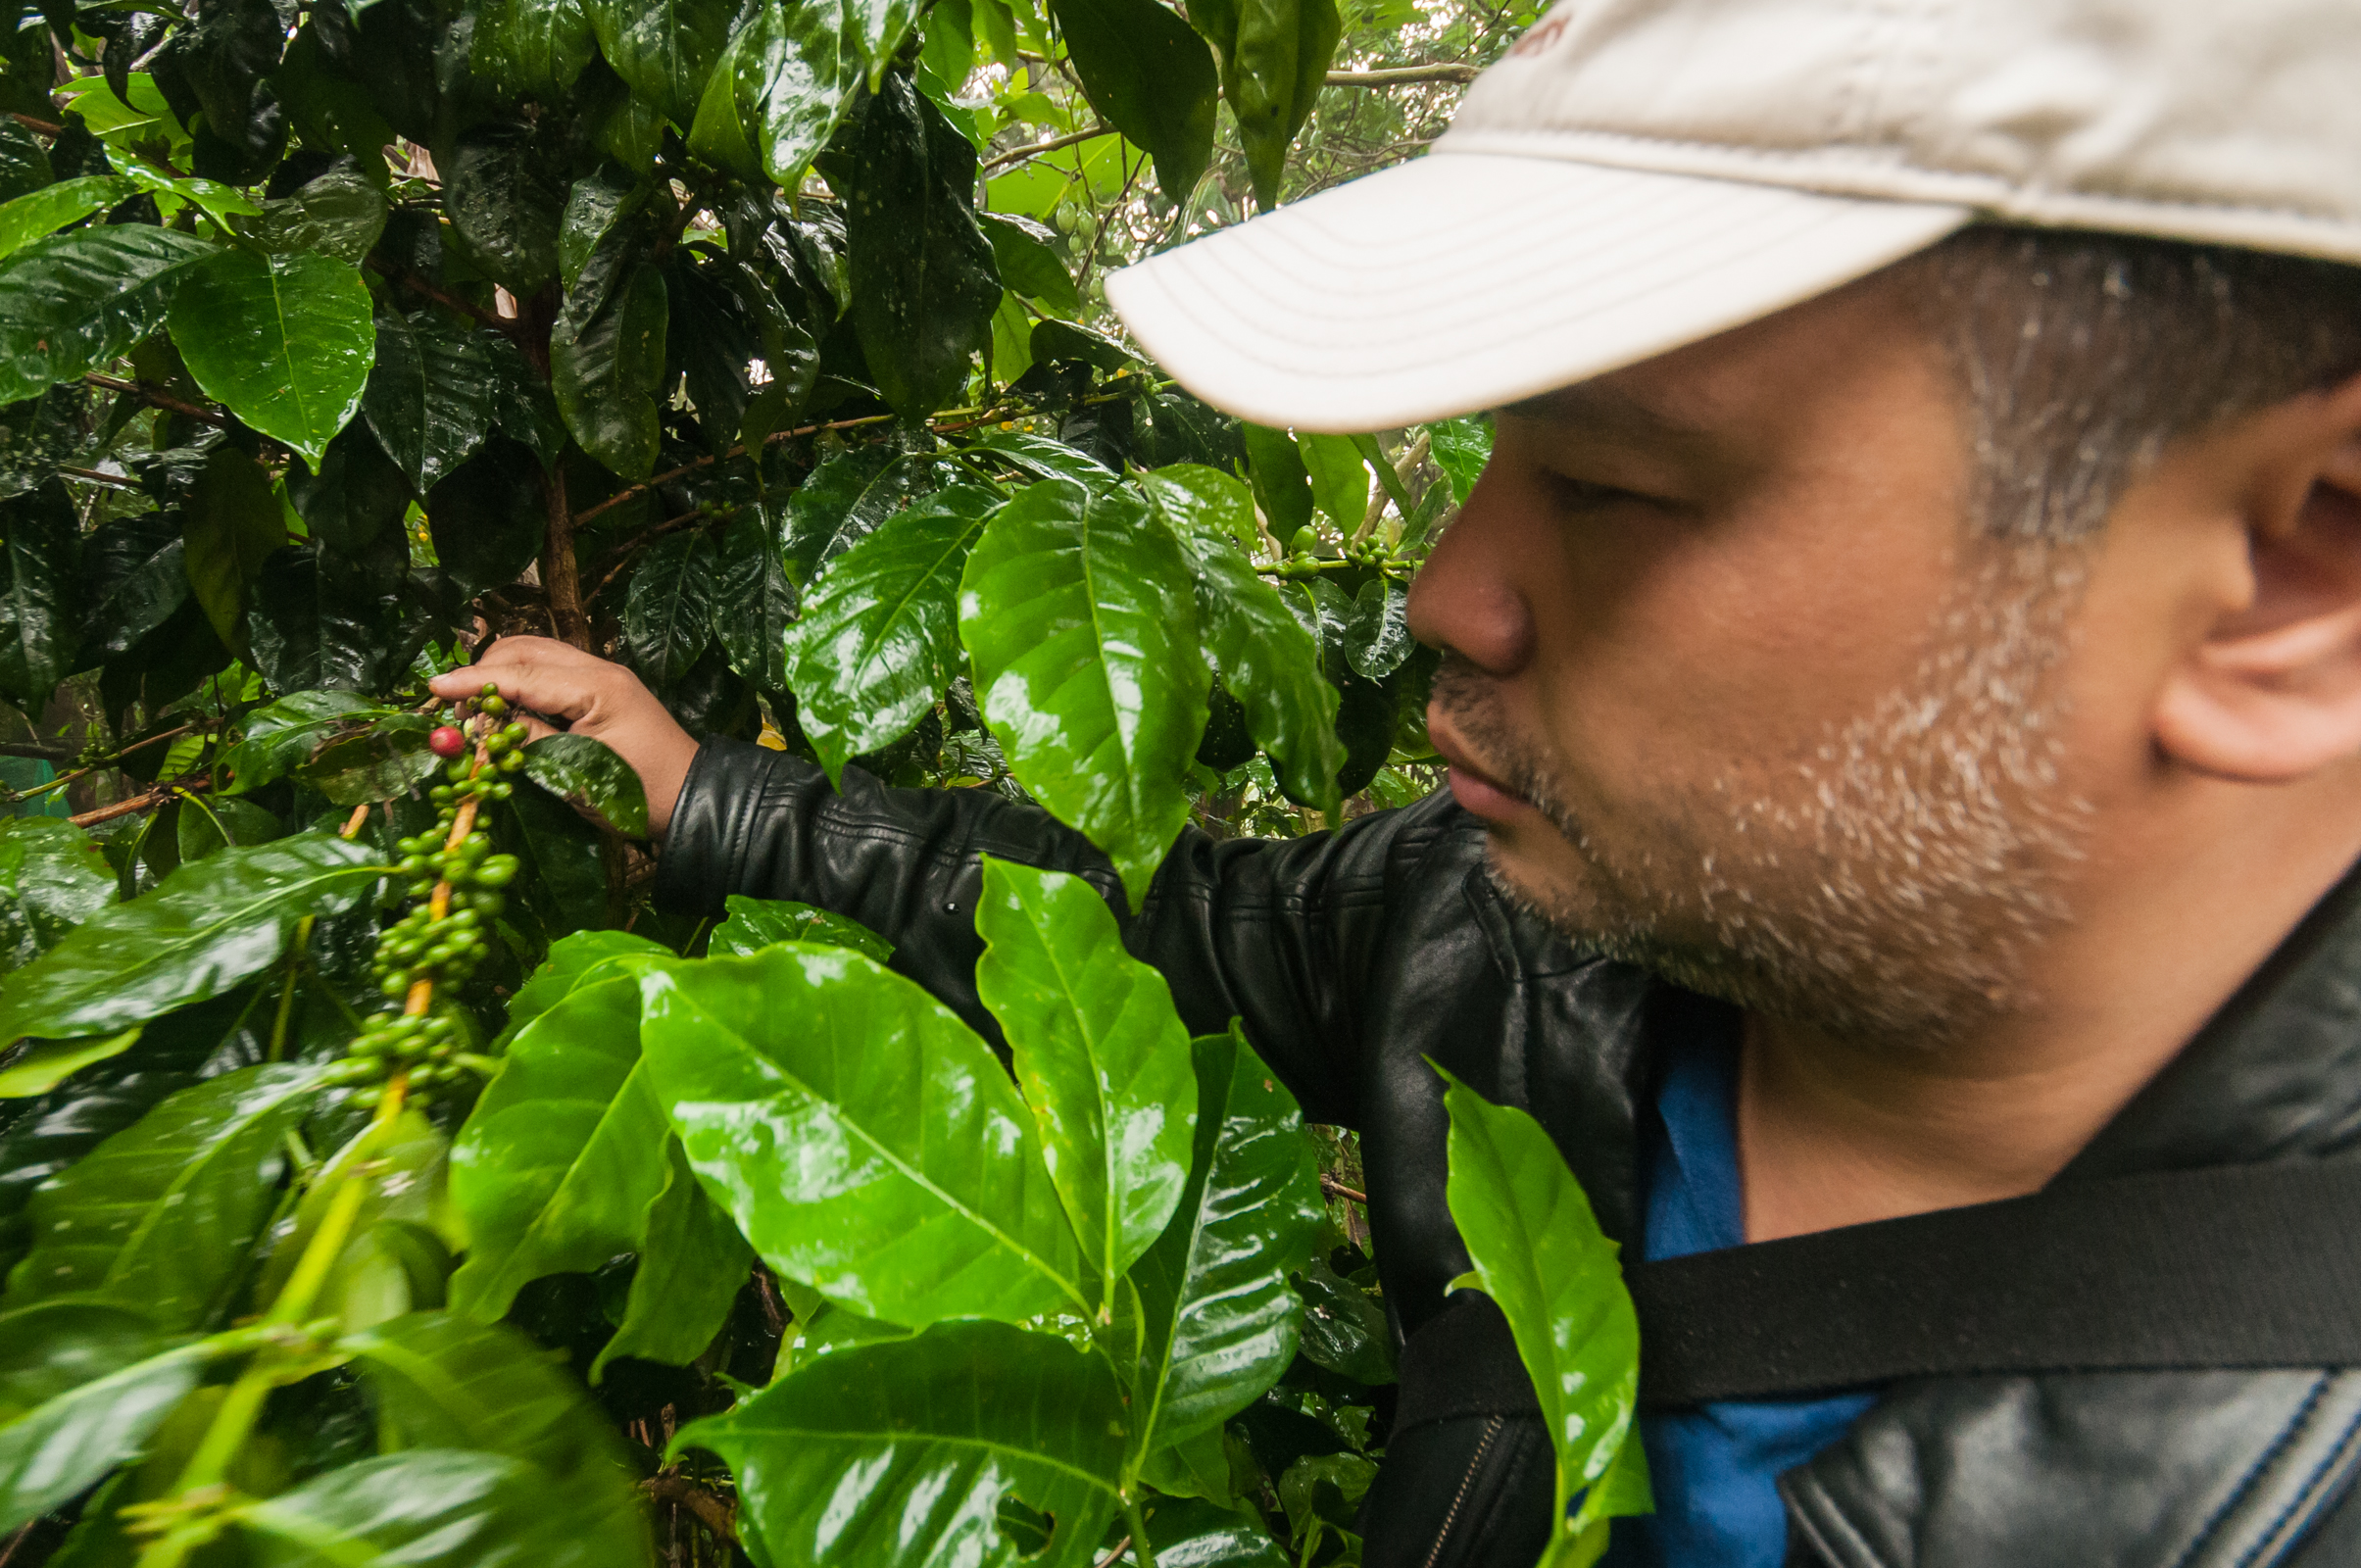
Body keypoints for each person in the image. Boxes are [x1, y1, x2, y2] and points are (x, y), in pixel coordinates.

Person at [433, 0, 2361, 1561]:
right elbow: (1157, 935)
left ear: (2285, 580)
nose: (1449, 588)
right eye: (1491, 454)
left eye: (1609, 484)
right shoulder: (1519, 937)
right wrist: (713, 794)